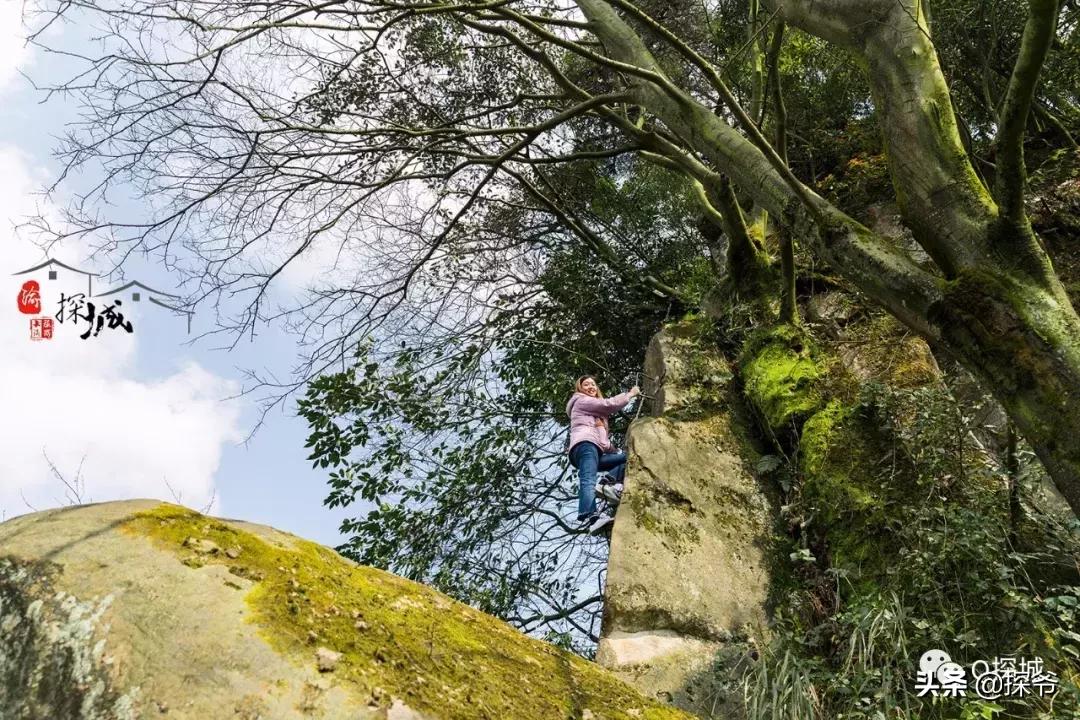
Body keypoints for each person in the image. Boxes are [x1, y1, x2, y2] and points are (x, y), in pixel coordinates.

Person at [565, 375, 640, 535]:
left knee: (626, 458)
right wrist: (630, 394)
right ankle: (591, 517)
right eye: (586, 385)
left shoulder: (596, 415)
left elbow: (604, 443)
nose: (591, 387)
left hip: (594, 450)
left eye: (593, 384)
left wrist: (615, 450)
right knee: (588, 479)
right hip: (585, 445)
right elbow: (608, 404)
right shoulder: (581, 401)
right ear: (580, 389)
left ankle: (608, 484)